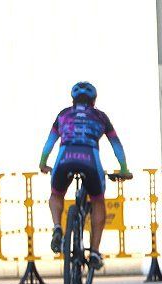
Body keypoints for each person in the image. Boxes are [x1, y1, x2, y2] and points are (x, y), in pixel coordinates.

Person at [39, 82, 131, 268]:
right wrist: (123, 169)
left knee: (56, 195)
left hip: (65, 157)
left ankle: (58, 227)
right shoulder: (101, 117)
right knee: (97, 200)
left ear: (72, 100)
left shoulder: (63, 115)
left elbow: (49, 143)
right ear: (94, 100)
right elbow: (116, 145)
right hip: (90, 159)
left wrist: (42, 163)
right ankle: (95, 252)